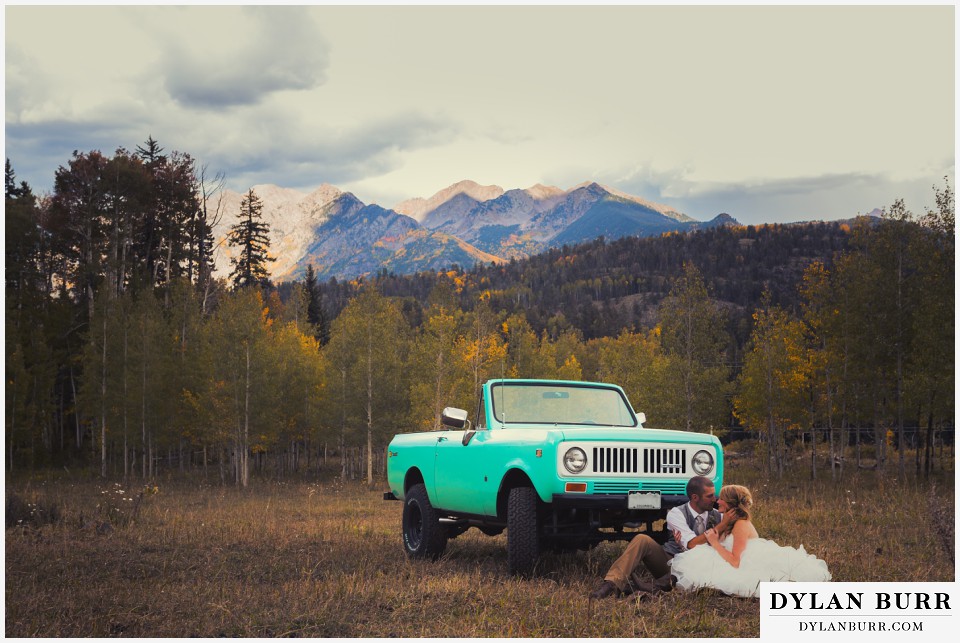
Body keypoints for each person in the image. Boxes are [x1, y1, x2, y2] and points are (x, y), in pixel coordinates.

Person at [669, 484, 831, 598]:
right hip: (733, 559)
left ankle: (664, 584)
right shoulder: (727, 521)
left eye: (721, 498)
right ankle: (665, 583)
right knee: (699, 559)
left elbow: (735, 561)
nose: (717, 501)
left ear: (730, 503)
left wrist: (715, 542)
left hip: (746, 563)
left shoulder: (740, 524)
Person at [589, 475, 731, 599]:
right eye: (710, 496)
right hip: (671, 563)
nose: (715, 499)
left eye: (714, 495)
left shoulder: (718, 515)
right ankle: (611, 584)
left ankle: (650, 587)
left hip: (701, 569)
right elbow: (691, 545)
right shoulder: (677, 513)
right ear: (695, 497)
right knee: (641, 539)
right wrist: (721, 526)